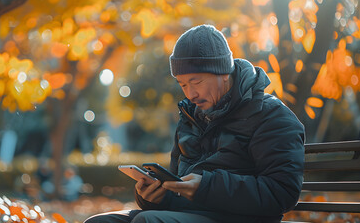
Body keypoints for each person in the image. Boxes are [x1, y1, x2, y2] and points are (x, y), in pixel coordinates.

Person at [84, 24, 305, 223]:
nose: (190, 94)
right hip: (189, 214)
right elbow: (176, 183)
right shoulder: (191, 117)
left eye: (196, 82)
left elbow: (282, 193)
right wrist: (155, 197)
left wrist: (206, 187)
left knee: (148, 221)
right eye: (182, 85)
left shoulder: (272, 116)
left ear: (224, 72)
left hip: (238, 218)